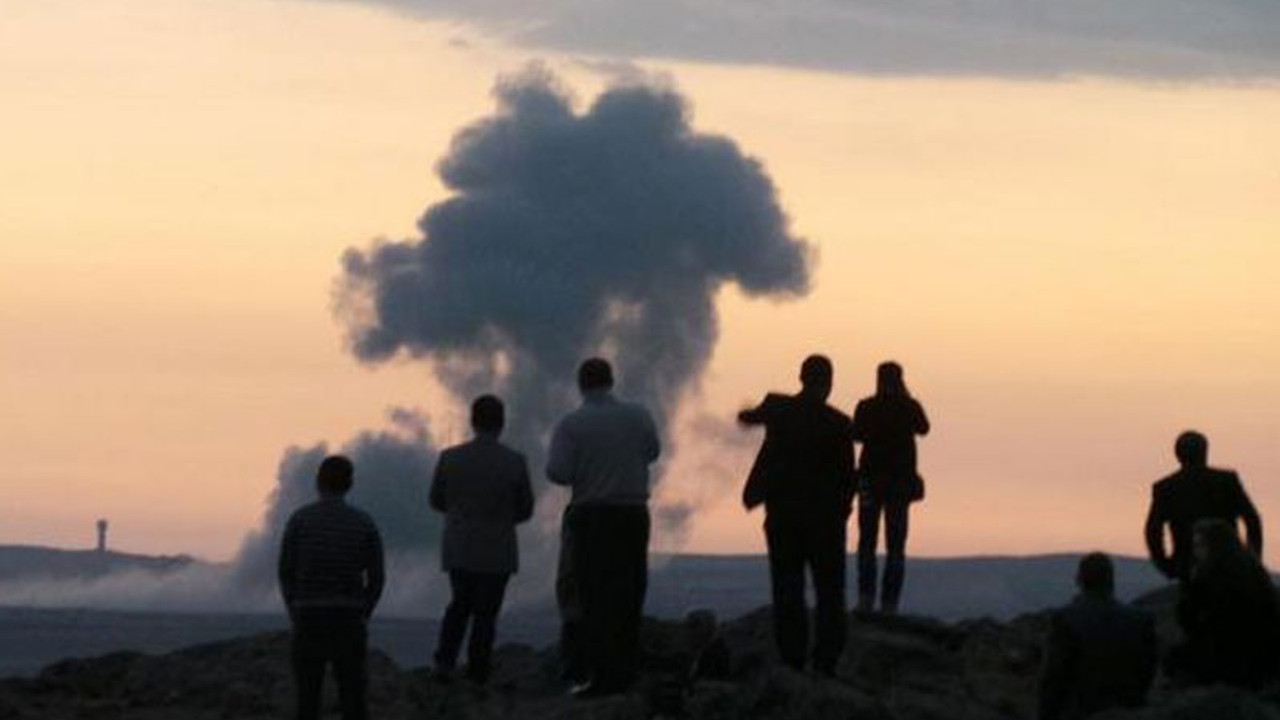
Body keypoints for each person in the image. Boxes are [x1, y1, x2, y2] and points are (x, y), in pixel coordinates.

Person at [547, 357, 661, 696]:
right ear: (611, 381)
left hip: (592, 515)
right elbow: (653, 451)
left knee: (594, 596)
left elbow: (559, 472)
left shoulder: (571, 425)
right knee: (629, 591)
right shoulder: (639, 416)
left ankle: (600, 675)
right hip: (633, 513)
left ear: (581, 384)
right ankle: (626, 670)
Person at [738, 354, 856, 675]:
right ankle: (826, 660)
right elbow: (849, 479)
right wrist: (842, 512)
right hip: (826, 522)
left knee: (787, 588)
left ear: (801, 377)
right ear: (829, 383)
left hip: (783, 517)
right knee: (830, 592)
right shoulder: (839, 424)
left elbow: (748, 417)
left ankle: (792, 657)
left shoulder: (780, 411)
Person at [429, 394, 534, 684]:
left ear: (472, 421)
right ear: (501, 423)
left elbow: (436, 500)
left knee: (459, 605)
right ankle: (478, 669)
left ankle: (444, 663)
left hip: (460, 546)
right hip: (497, 548)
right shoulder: (514, 462)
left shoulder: (450, 459)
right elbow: (526, 508)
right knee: (487, 613)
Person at [278, 455, 385, 720]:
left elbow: (285, 570)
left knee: (308, 698)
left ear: (318, 482)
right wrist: (364, 611)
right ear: (349, 484)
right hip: (348, 616)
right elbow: (377, 576)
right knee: (352, 696)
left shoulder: (300, 520)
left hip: (309, 614)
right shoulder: (363, 523)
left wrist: (294, 607)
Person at [852, 361, 930, 615]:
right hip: (899, 484)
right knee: (896, 545)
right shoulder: (909, 407)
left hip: (869, 482)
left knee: (867, 542)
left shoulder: (866, 407)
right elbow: (924, 427)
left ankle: (866, 600)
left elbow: (856, 435)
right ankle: (889, 605)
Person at [1038, 553, 1157, 720]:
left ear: (1080, 580)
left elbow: (1053, 678)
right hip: (1129, 710)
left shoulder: (1065, 620)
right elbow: (1147, 672)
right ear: (1111, 581)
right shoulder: (1141, 621)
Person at [1170, 518, 1280, 689]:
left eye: (1199, 545)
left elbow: (1192, 623)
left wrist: (1190, 588)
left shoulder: (1213, 578)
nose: (1196, 551)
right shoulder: (1254, 573)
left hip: (1233, 660)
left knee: (1174, 658)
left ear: (1212, 546)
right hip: (1266, 660)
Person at [1144, 430, 1263, 583]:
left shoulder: (1166, 488)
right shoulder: (1226, 481)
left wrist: (1166, 565)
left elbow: (1153, 531)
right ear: (1205, 452)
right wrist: (1252, 561)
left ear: (1177, 454)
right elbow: (1252, 520)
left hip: (1188, 567)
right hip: (1229, 566)